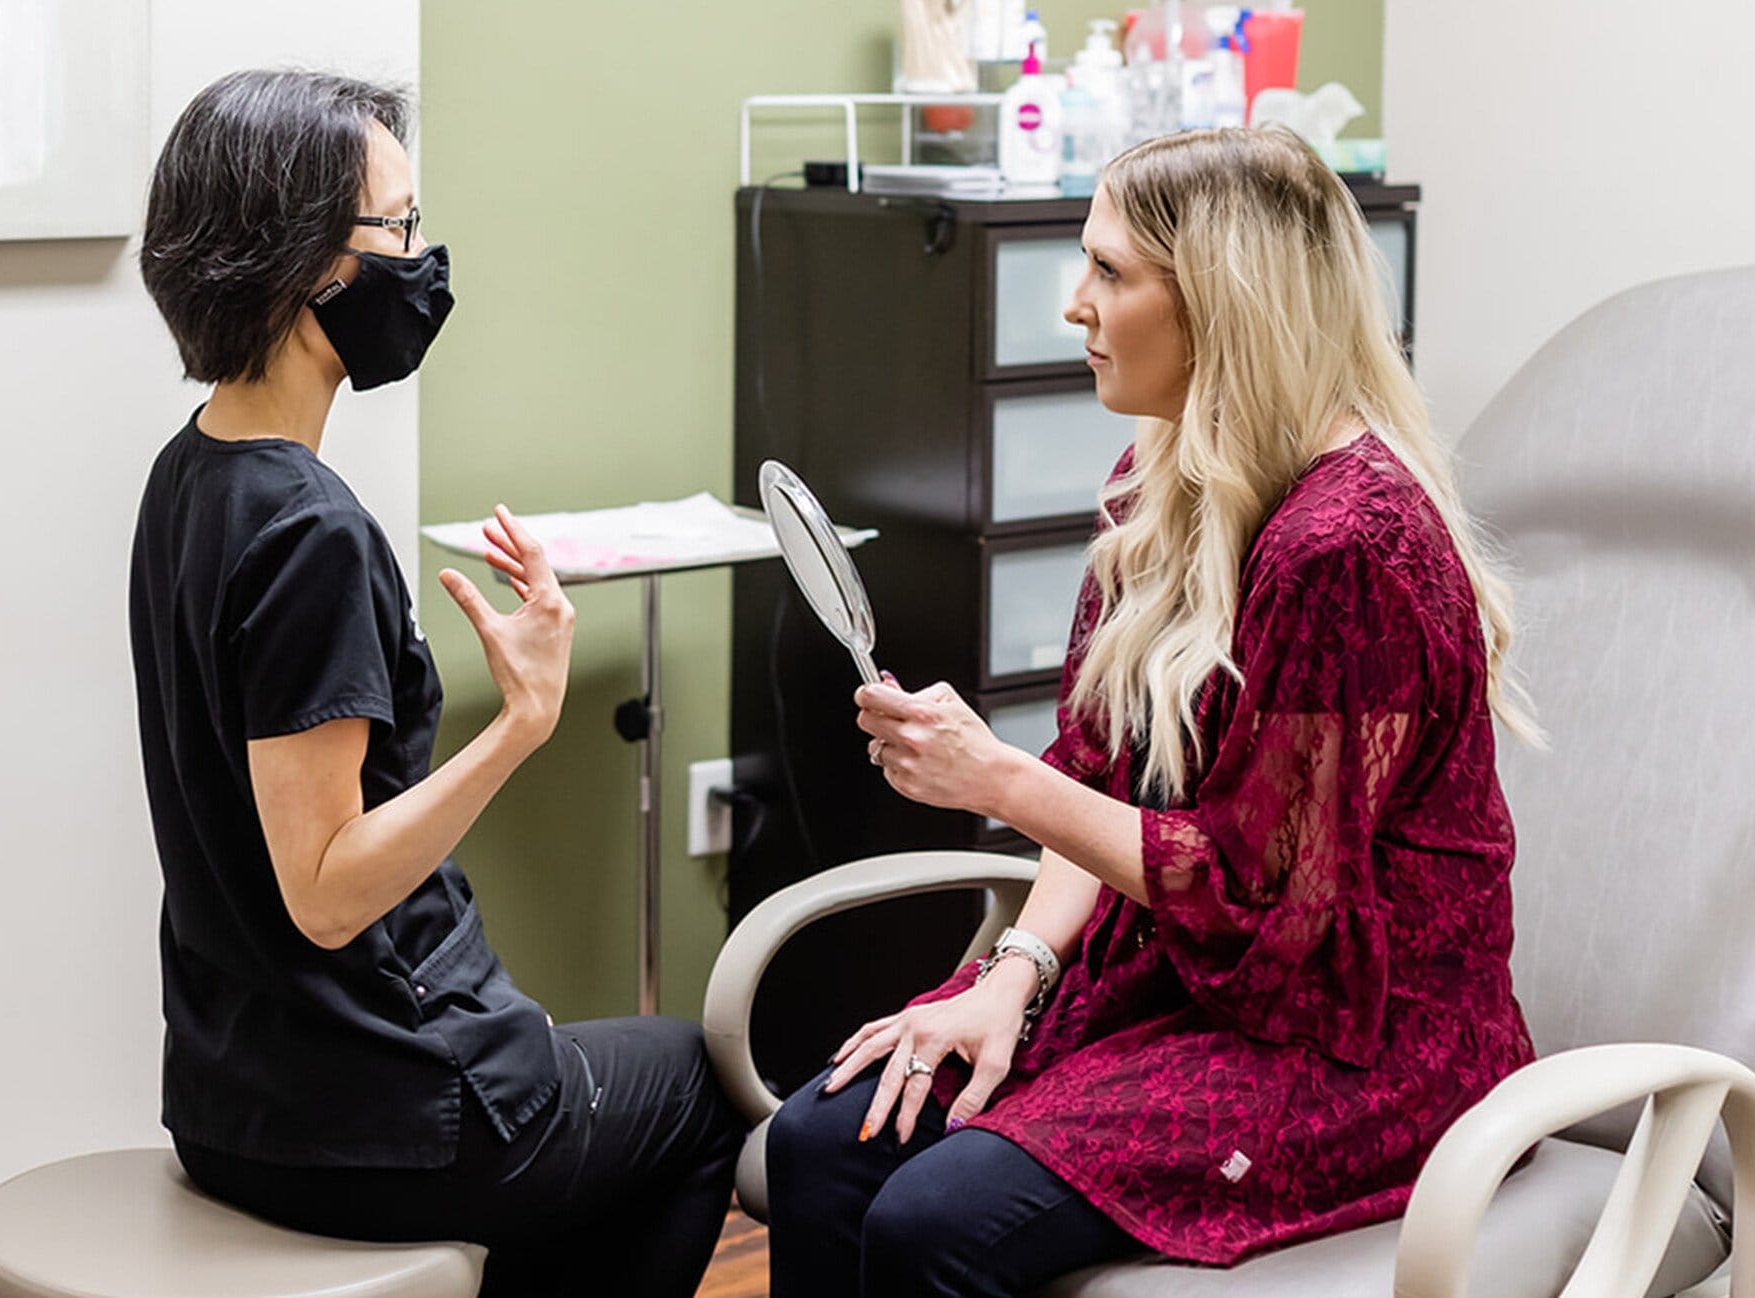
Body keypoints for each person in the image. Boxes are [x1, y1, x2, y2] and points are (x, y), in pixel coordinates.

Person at [764, 126, 1542, 1297]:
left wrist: (994, 777)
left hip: (1349, 1039)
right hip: (1175, 978)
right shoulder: (1156, 489)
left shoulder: (1350, 546)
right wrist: (1012, 971)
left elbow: (1266, 903)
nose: (1073, 303)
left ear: (1223, 301)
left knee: (935, 1219)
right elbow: (1098, 777)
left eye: (1109, 270)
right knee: (825, 1139)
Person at [129, 70, 741, 1297]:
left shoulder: (188, 473)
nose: (422, 259)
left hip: (231, 1096)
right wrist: (521, 720)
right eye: (401, 227)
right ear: (310, 263)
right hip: (377, 1115)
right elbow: (326, 892)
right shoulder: (308, 531)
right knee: (701, 1082)